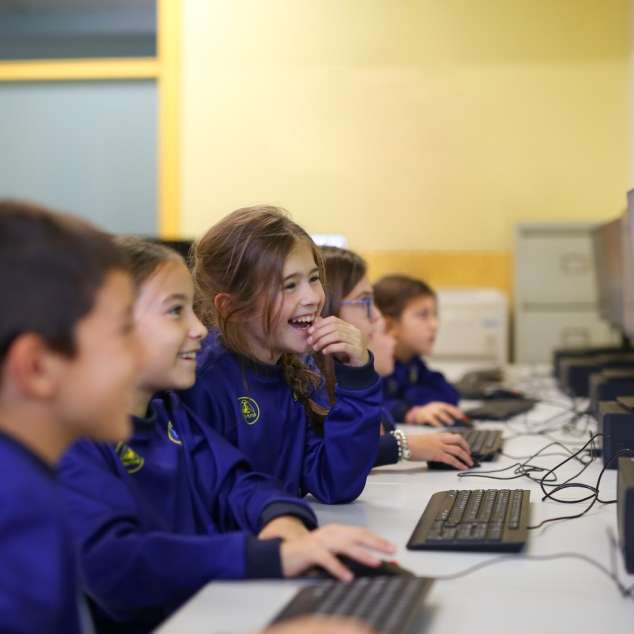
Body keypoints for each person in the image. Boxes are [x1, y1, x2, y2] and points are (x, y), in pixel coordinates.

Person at [60, 237, 395, 634]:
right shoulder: (70, 442)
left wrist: (284, 523)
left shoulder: (167, 416)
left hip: (208, 610)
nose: (199, 329)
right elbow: (117, 568)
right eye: (174, 312)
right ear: (109, 329)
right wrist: (268, 558)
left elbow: (238, 484)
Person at [0, 200, 139, 633]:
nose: (141, 357)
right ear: (38, 367)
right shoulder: (17, 508)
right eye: (124, 332)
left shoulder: (28, 478)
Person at [180, 206, 382, 503]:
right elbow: (211, 501)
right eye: (289, 286)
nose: (312, 298)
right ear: (230, 306)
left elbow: (336, 482)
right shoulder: (204, 379)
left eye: (313, 279)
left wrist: (358, 377)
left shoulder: (296, 368)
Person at [320, 246, 472, 470]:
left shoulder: (347, 375)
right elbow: (339, 457)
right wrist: (402, 442)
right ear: (327, 309)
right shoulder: (311, 387)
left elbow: (382, 420)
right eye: (365, 303)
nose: (377, 317)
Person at [374, 274, 468, 427]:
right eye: (423, 315)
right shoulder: (378, 365)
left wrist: (410, 398)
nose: (434, 324)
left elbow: (450, 394)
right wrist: (411, 411)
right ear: (390, 325)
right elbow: (372, 407)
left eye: (435, 315)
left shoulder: (412, 362)